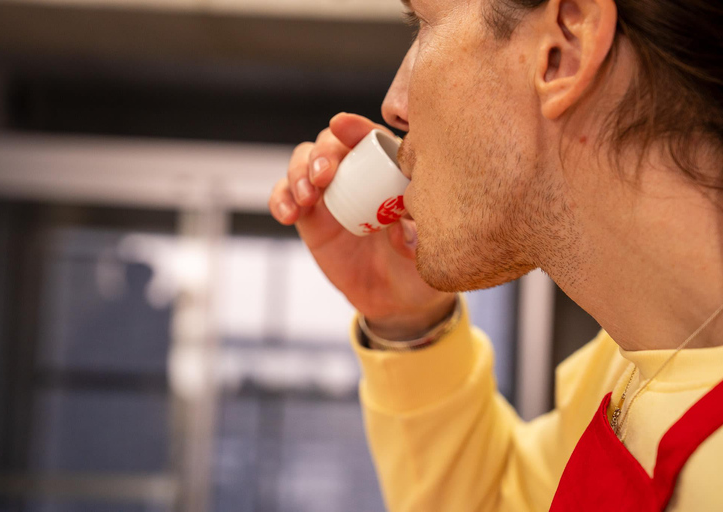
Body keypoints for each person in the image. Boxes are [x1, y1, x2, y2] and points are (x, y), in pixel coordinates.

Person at [268, 0, 723, 510]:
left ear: (562, 51)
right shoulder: (643, 355)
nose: (394, 105)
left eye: (424, 22)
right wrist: (409, 322)